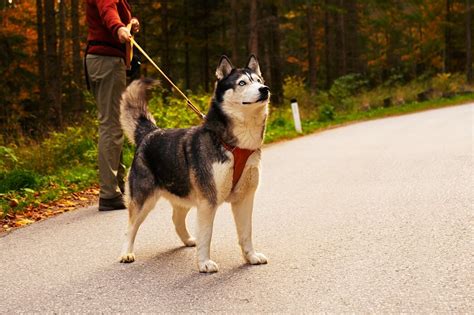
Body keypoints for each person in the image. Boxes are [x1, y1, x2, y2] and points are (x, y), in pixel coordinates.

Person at [84, 0, 139, 211]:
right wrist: (118, 29)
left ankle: (116, 185)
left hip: (107, 61)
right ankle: (109, 193)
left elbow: (113, 13)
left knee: (114, 123)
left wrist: (130, 23)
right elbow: (107, 11)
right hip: (106, 61)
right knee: (111, 125)